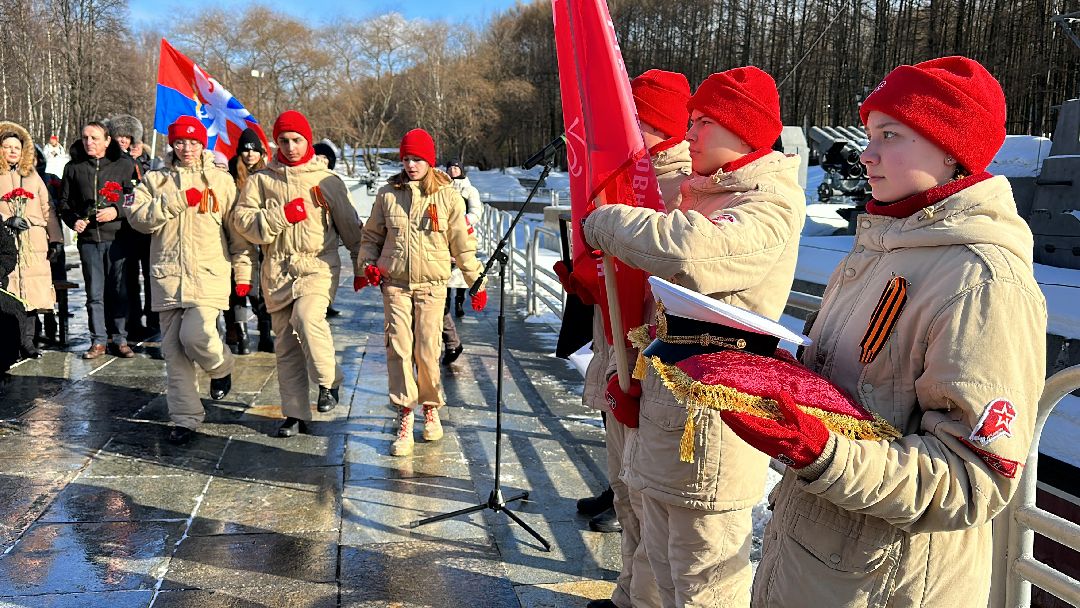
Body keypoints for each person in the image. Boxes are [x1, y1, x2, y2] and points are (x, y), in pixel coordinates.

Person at [722, 56, 1047, 608]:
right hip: (818, 559)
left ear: (952, 151)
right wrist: (772, 370)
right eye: (870, 134)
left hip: (884, 583)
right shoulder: (881, 249)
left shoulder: (982, 281)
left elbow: (974, 480)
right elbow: (852, 389)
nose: (866, 154)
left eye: (890, 135)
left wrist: (824, 453)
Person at [582, 66, 804, 607]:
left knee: (705, 578)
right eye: (692, 120)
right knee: (660, 561)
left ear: (745, 132)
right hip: (668, 408)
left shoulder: (767, 202)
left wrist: (604, 219)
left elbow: (688, 253)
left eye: (704, 122)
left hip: (712, 424)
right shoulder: (704, 194)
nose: (691, 133)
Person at [565, 69, 693, 608]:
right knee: (622, 487)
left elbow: (676, 270)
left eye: (639, 122)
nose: (628, 132)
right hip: (613, 352)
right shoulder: (618, 178)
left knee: (647, 497)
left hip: (652, 367)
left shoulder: (686, 188)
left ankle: (647, 599)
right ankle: (627, 594)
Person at [232, 110, 365, 437]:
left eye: (297, 140)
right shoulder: (262, 180)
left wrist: (362, 265)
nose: (290, 147)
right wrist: (278, 216)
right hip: (277, 270)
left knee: (307, 319)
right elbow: (243, 223)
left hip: (317, 266)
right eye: (283, 141)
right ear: (275, 143)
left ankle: (329, 380)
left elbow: (351, 228)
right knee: (287, 347)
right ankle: (294, 413)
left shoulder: (326, 181)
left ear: (307, 140)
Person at [358, 129, 487, 457]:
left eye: (417, 159)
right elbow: (371, 236)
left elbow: (462, 244)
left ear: (429, 161)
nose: (411, 165)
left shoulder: (447, 196)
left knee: (427, 351)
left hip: (432, 286)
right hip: (396, 285)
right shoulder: (388, 194)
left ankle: (430, 406)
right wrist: (368, 264)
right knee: (398, 350)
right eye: (406, 158)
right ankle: (404, 415)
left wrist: (476, 283)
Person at [126, 116, 250, 444]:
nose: (187, 148)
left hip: (209, 275)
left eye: (193, 142)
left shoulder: (221, 182)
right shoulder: (155, 179)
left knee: (195, 335)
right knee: (173, 350)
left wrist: (243, 272)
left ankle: (221, 366)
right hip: (166, 277)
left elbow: (236, 234)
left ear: (202, 144)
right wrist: (175, 200)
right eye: (180, 142)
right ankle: (185, 419)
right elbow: (138, 219)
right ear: (172, 144)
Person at [58, 120, 138, 359]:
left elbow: (135, 197)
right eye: (85, 138)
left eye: (94, 138)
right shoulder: (73, 167)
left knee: (119, 289)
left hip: (118, 238)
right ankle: (98, 340)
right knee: (94, 293)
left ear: (107, 140)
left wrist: (116, 210)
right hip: (90, 240)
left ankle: (120, 338)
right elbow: (63, 204)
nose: (88, 142)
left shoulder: (124, 165)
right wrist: (74, 221)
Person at [0, 122, 64, 359]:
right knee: (12, 292)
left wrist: (55, 239)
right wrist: (6, 219)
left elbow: (48, 209)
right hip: (6, 241)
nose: (13, 151)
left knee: (32, 294)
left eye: (17, 147)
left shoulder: (32, 175)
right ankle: (11, 342)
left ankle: (29, 341)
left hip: (33, 241)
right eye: (7, 147)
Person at [225, 127, 273, 354]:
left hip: (262, 236)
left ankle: (265, 334)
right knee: (238, 289)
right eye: (245, 150)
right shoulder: (231, 172)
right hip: (237, 235)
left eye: (254, 150)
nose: (250, 154)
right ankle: (241, 334)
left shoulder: (268, 173)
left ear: (261, 152)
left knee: (261, 290)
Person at [108, 114, 157, 340]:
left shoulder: (147, 161)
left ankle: (153, 318)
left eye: (127, 137)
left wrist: (142, 160)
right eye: (119, 136)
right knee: (127, 279)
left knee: (150, 276)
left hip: (146, 230)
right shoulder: (113, 161)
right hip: (124, 229)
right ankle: (133, 321)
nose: (123, 141)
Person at [440, 159, 483, 365]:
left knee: (460, 274)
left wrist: (463, 221)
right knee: (444, 285)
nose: (453, 170)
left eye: (456, 167)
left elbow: (476, 211)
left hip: (462, 235)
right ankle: (450, 339)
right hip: (441, 240)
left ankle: (458, 302)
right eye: (450, 167)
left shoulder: (469, 190)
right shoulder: (440, 186)